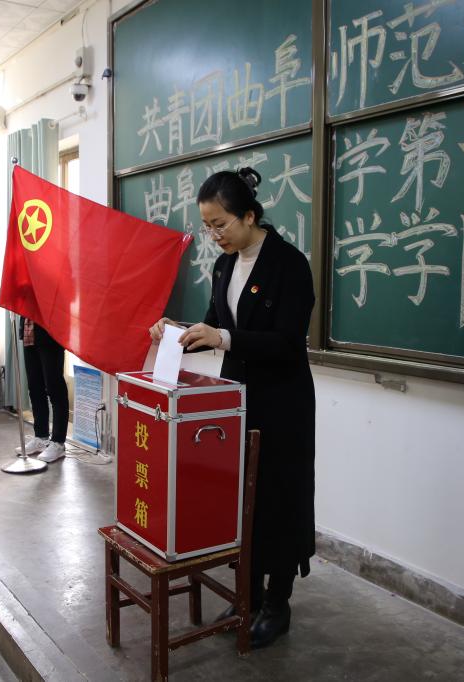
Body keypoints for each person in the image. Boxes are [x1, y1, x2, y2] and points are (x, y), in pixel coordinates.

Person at [150, 167, 315, 649]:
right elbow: (211, 326)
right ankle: (249, 594)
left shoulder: (289, 264)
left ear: (249, 216)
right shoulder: (224, 267)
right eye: (207, 227)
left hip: (282, 403)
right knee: (245, 501)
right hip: (238, 400)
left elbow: (287, 343)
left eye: (220, 224)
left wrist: (222, 337)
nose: (214, 235)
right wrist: (176, 330)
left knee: (279, 500)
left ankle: (277, 604)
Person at [16, 316, 68, 462]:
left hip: (49, 331)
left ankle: (58, 442)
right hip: (29, 331)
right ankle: (41, 436)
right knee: (35, 388)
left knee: (55, 388)